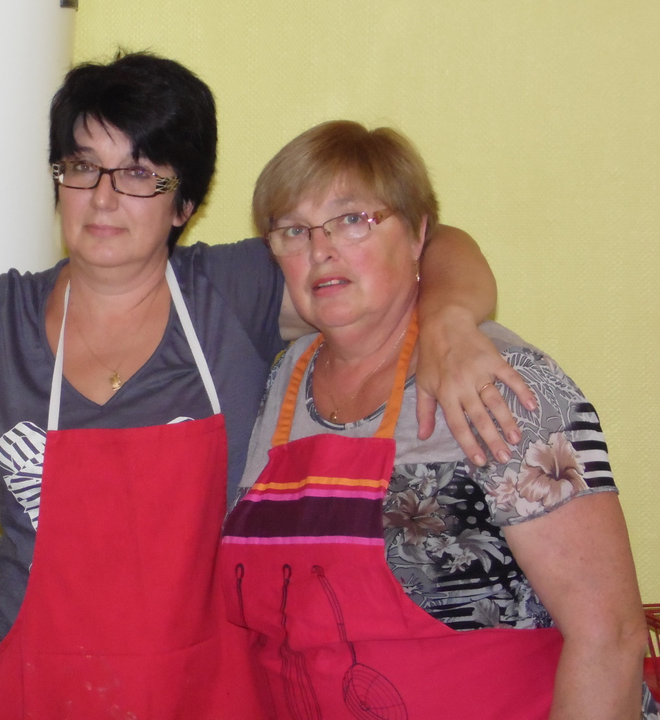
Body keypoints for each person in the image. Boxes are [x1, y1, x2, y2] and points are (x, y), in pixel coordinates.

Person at [0, 54, 523, 719]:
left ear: (183, 204)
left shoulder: (232, 296)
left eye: (140, 174)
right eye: (83, 168)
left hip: (203, 690)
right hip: (34, 685)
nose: (103, 198)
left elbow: (429, 244)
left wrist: (452, 322)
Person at [219, 120, 653, 719]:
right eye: (294, 230)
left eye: (353, 219)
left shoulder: (499, 380)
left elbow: (610, 636)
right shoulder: (278, 381)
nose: (321, 250)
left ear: (419, 234)